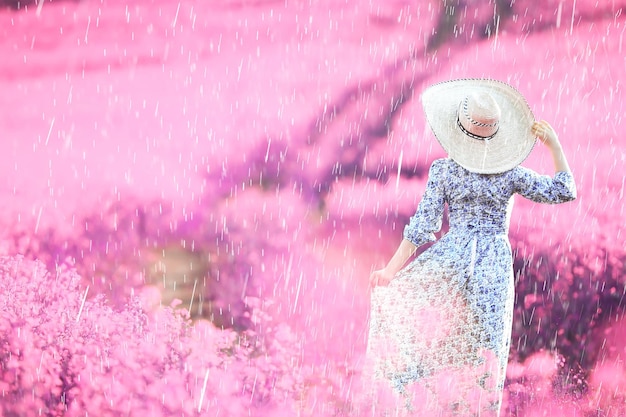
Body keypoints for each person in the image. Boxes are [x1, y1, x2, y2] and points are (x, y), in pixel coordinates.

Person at [363, 79, 576, 416]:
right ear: (496, 134)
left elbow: (422, 226)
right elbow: (563, 191)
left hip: (452, 260)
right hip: (492, 266)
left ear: (457, 130)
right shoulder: (510, 173)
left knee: (433, 335)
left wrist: (391, 271)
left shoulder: (444, 170)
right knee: (485, 350)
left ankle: (419, 406)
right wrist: (555, 148)